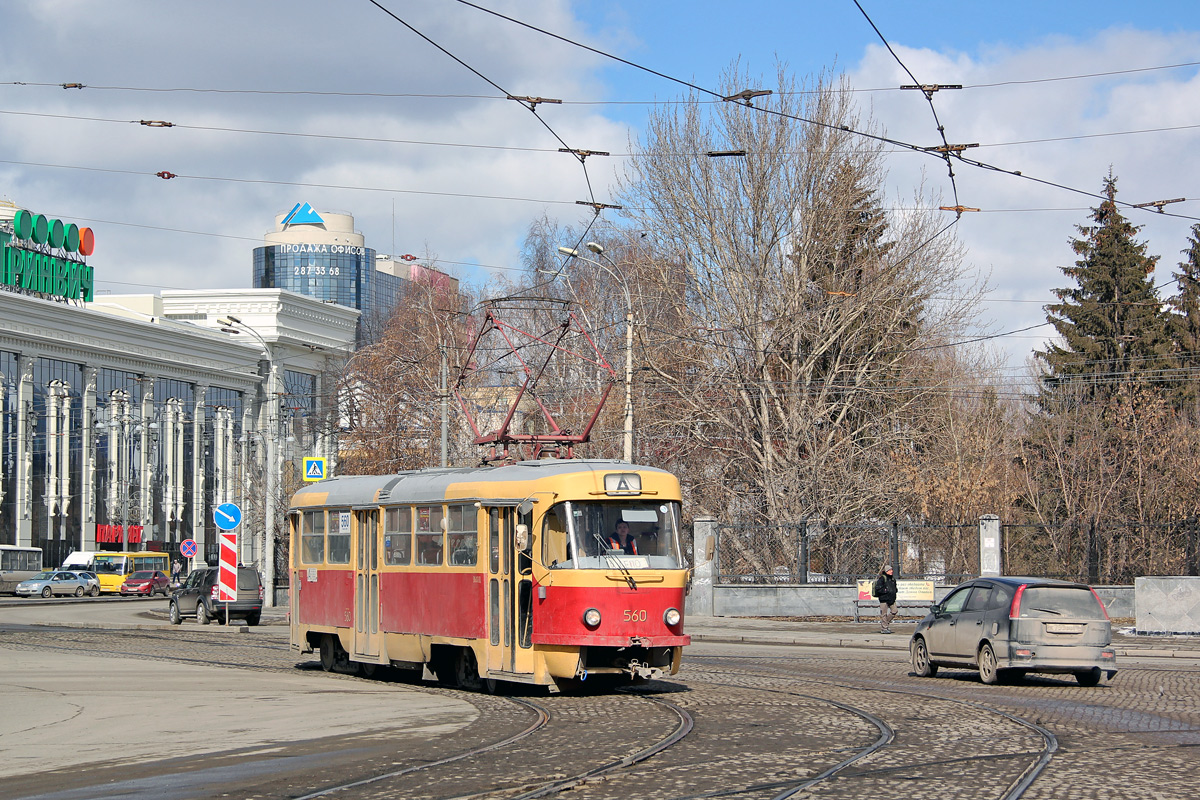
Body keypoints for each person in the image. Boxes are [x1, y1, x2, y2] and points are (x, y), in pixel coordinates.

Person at [874, 564, 898, 633]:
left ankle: (885, 623)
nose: (892, 571)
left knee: (894, 611)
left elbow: (894, 587)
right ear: (887, 571)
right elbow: (878, 588)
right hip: (884, 599)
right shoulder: (882, 578)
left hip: (891, 599)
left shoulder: (892, 579)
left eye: (892, 570)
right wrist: (885, 591)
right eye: (890, 570)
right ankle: (884, 628)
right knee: (883, 614)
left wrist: (895, 590)